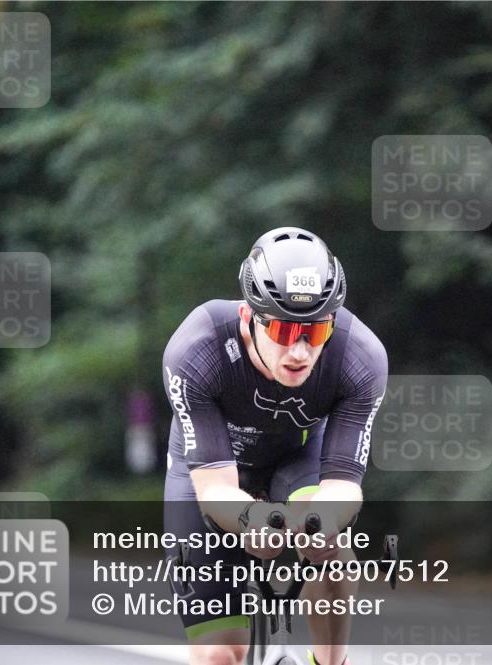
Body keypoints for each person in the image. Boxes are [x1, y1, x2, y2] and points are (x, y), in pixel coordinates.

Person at [162, 227, 388, 665]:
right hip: (212, 472)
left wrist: (324, 520)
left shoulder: (361, 357)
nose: (300, 351)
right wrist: (251, 518)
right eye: (284, 331)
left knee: (333, 547)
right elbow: (214, 490)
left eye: (316, 331)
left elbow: (344, 484)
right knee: (219, 655)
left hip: (298, 461)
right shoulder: (197, 349)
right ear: (250, 317)